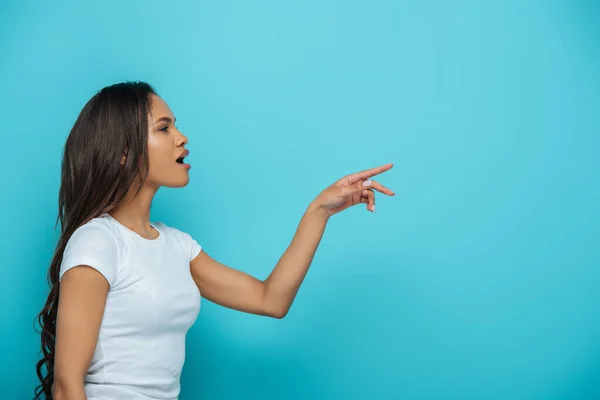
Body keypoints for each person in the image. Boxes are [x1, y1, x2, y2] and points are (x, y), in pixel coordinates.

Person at [34, 81, 395, 400]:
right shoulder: (98, 241)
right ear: (123, 152)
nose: (182, 137)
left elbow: (271, 299)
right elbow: (67, 387)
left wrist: (319, 211)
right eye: (164, 127)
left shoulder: (178, 246)